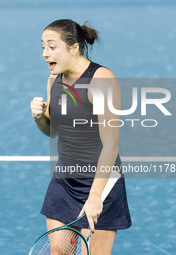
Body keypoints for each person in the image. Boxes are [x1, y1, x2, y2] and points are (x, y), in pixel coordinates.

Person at [30, 19, 132, 254]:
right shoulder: (54, 80)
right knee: (58, 252)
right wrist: (39, 118)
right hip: (64, 180)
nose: (45, 54)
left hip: (100, 182)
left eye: (52, 46)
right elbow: (53, 131)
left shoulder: (100, 79)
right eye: (43, 47)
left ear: (74, 47)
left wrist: (95, 196)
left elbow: (110, 144)